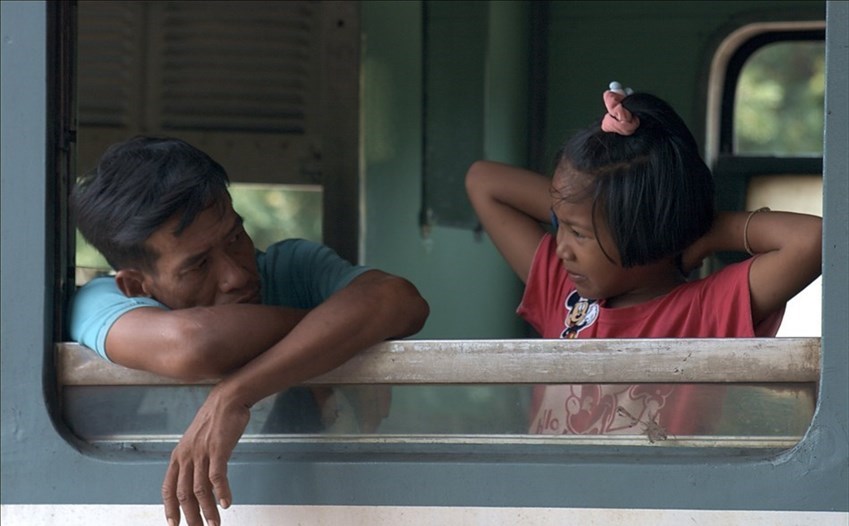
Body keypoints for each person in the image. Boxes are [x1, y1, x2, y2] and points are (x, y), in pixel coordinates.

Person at [68, 136, 430, 526]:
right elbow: (195, 344)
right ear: (137, 285)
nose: (237, 275)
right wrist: (345, 333)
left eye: (236, 238)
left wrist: (235, 394)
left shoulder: (292, 268)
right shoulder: (100, 301)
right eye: (199, 266)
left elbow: (398, 300)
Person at [465, 82, 821, 438]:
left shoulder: (704, 311)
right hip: (549, 493)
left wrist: (694, 231)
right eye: (559, 225)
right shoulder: (566, 291)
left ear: (643, 229)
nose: (561, 248)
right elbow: (483, 181)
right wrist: (579, 203)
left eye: (580, 234)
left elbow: (813, 240)